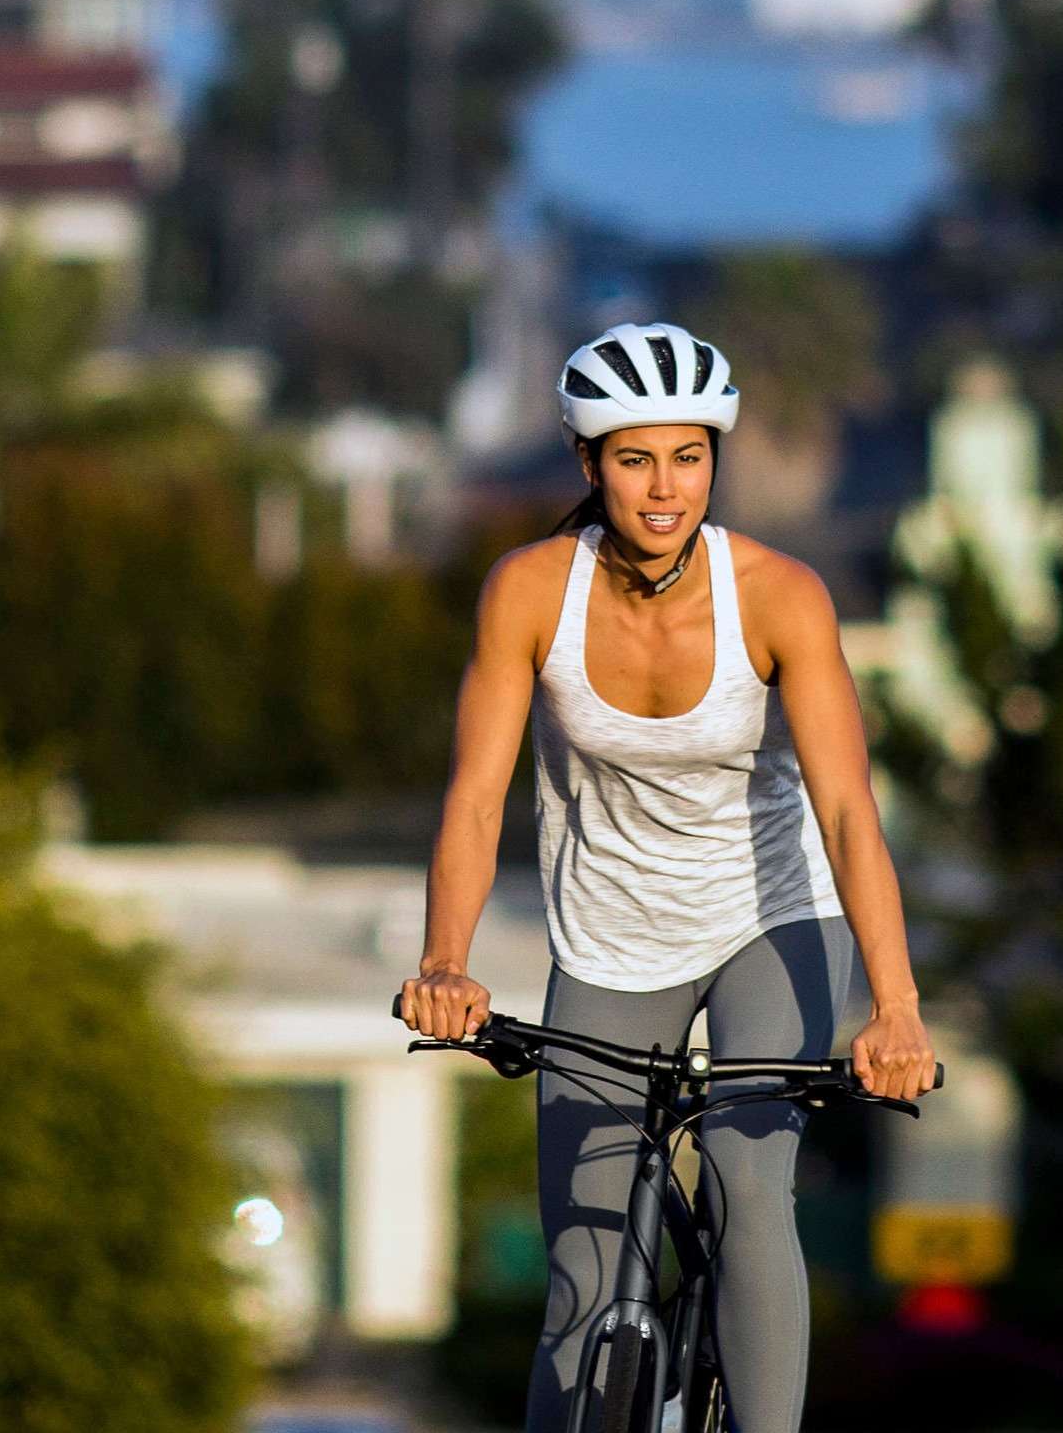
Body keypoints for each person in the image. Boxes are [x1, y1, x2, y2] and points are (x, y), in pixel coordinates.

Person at [400, 321, 935, 1432]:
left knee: (748, 1193)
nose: (663, 487)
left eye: (687, 456)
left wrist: (895, 1009)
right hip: (609, 935)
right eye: (634, 458)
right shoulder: (529, 593)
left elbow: (846, 811)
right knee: (586, 1265)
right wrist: (444, 962)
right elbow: (472, 797)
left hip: (772, 921)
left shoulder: (781, 596)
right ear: (587, 463)